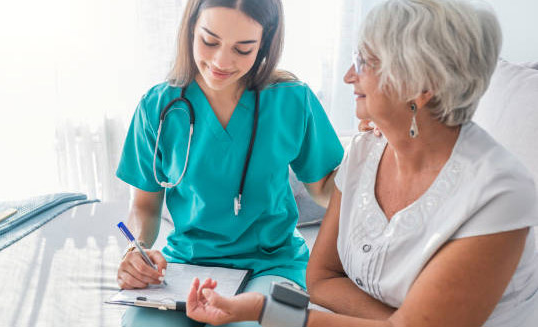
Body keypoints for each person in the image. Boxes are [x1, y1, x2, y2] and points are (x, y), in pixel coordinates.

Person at [185, 0, 538, 326]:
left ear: (421, 84)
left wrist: (265, 311)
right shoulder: (366, 150)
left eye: (365, 63)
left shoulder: (499, 194)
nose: (349, 77)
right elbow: (321, 278)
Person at [115, 0, 344, 325]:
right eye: (210, 41)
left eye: (243, 48)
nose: (222, 61)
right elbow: (145, 207)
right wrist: (135, 251)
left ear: (264, 44)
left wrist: (381, 161)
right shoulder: (157, 107)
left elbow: (325, 187)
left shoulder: (292, 100)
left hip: (272, 264)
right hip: (188, 265)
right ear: (191, 29)